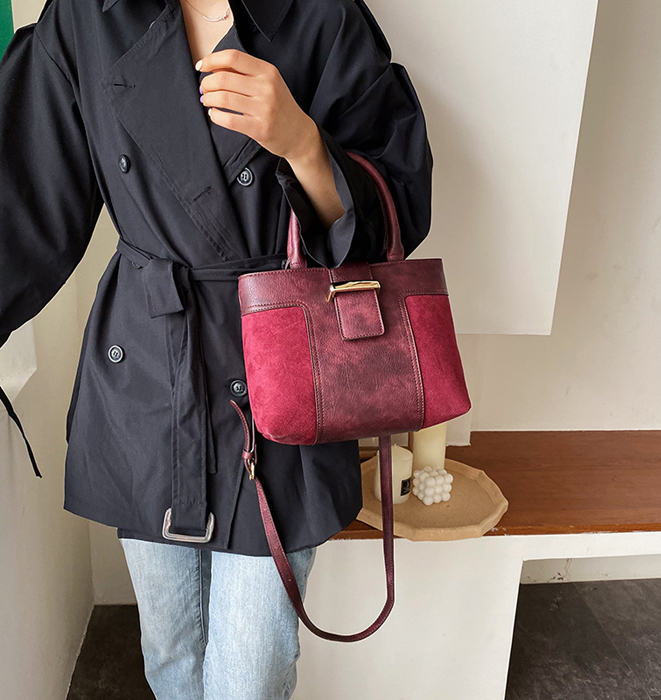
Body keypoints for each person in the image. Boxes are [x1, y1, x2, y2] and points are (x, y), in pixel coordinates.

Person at [0, 0, 433, 696]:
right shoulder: (87, 16)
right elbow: (23, 200)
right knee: (170, 657)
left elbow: (395, 212)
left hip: (283, 373)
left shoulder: (320, 15)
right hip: (149, 373)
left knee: (249, 680)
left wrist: (302, 142)